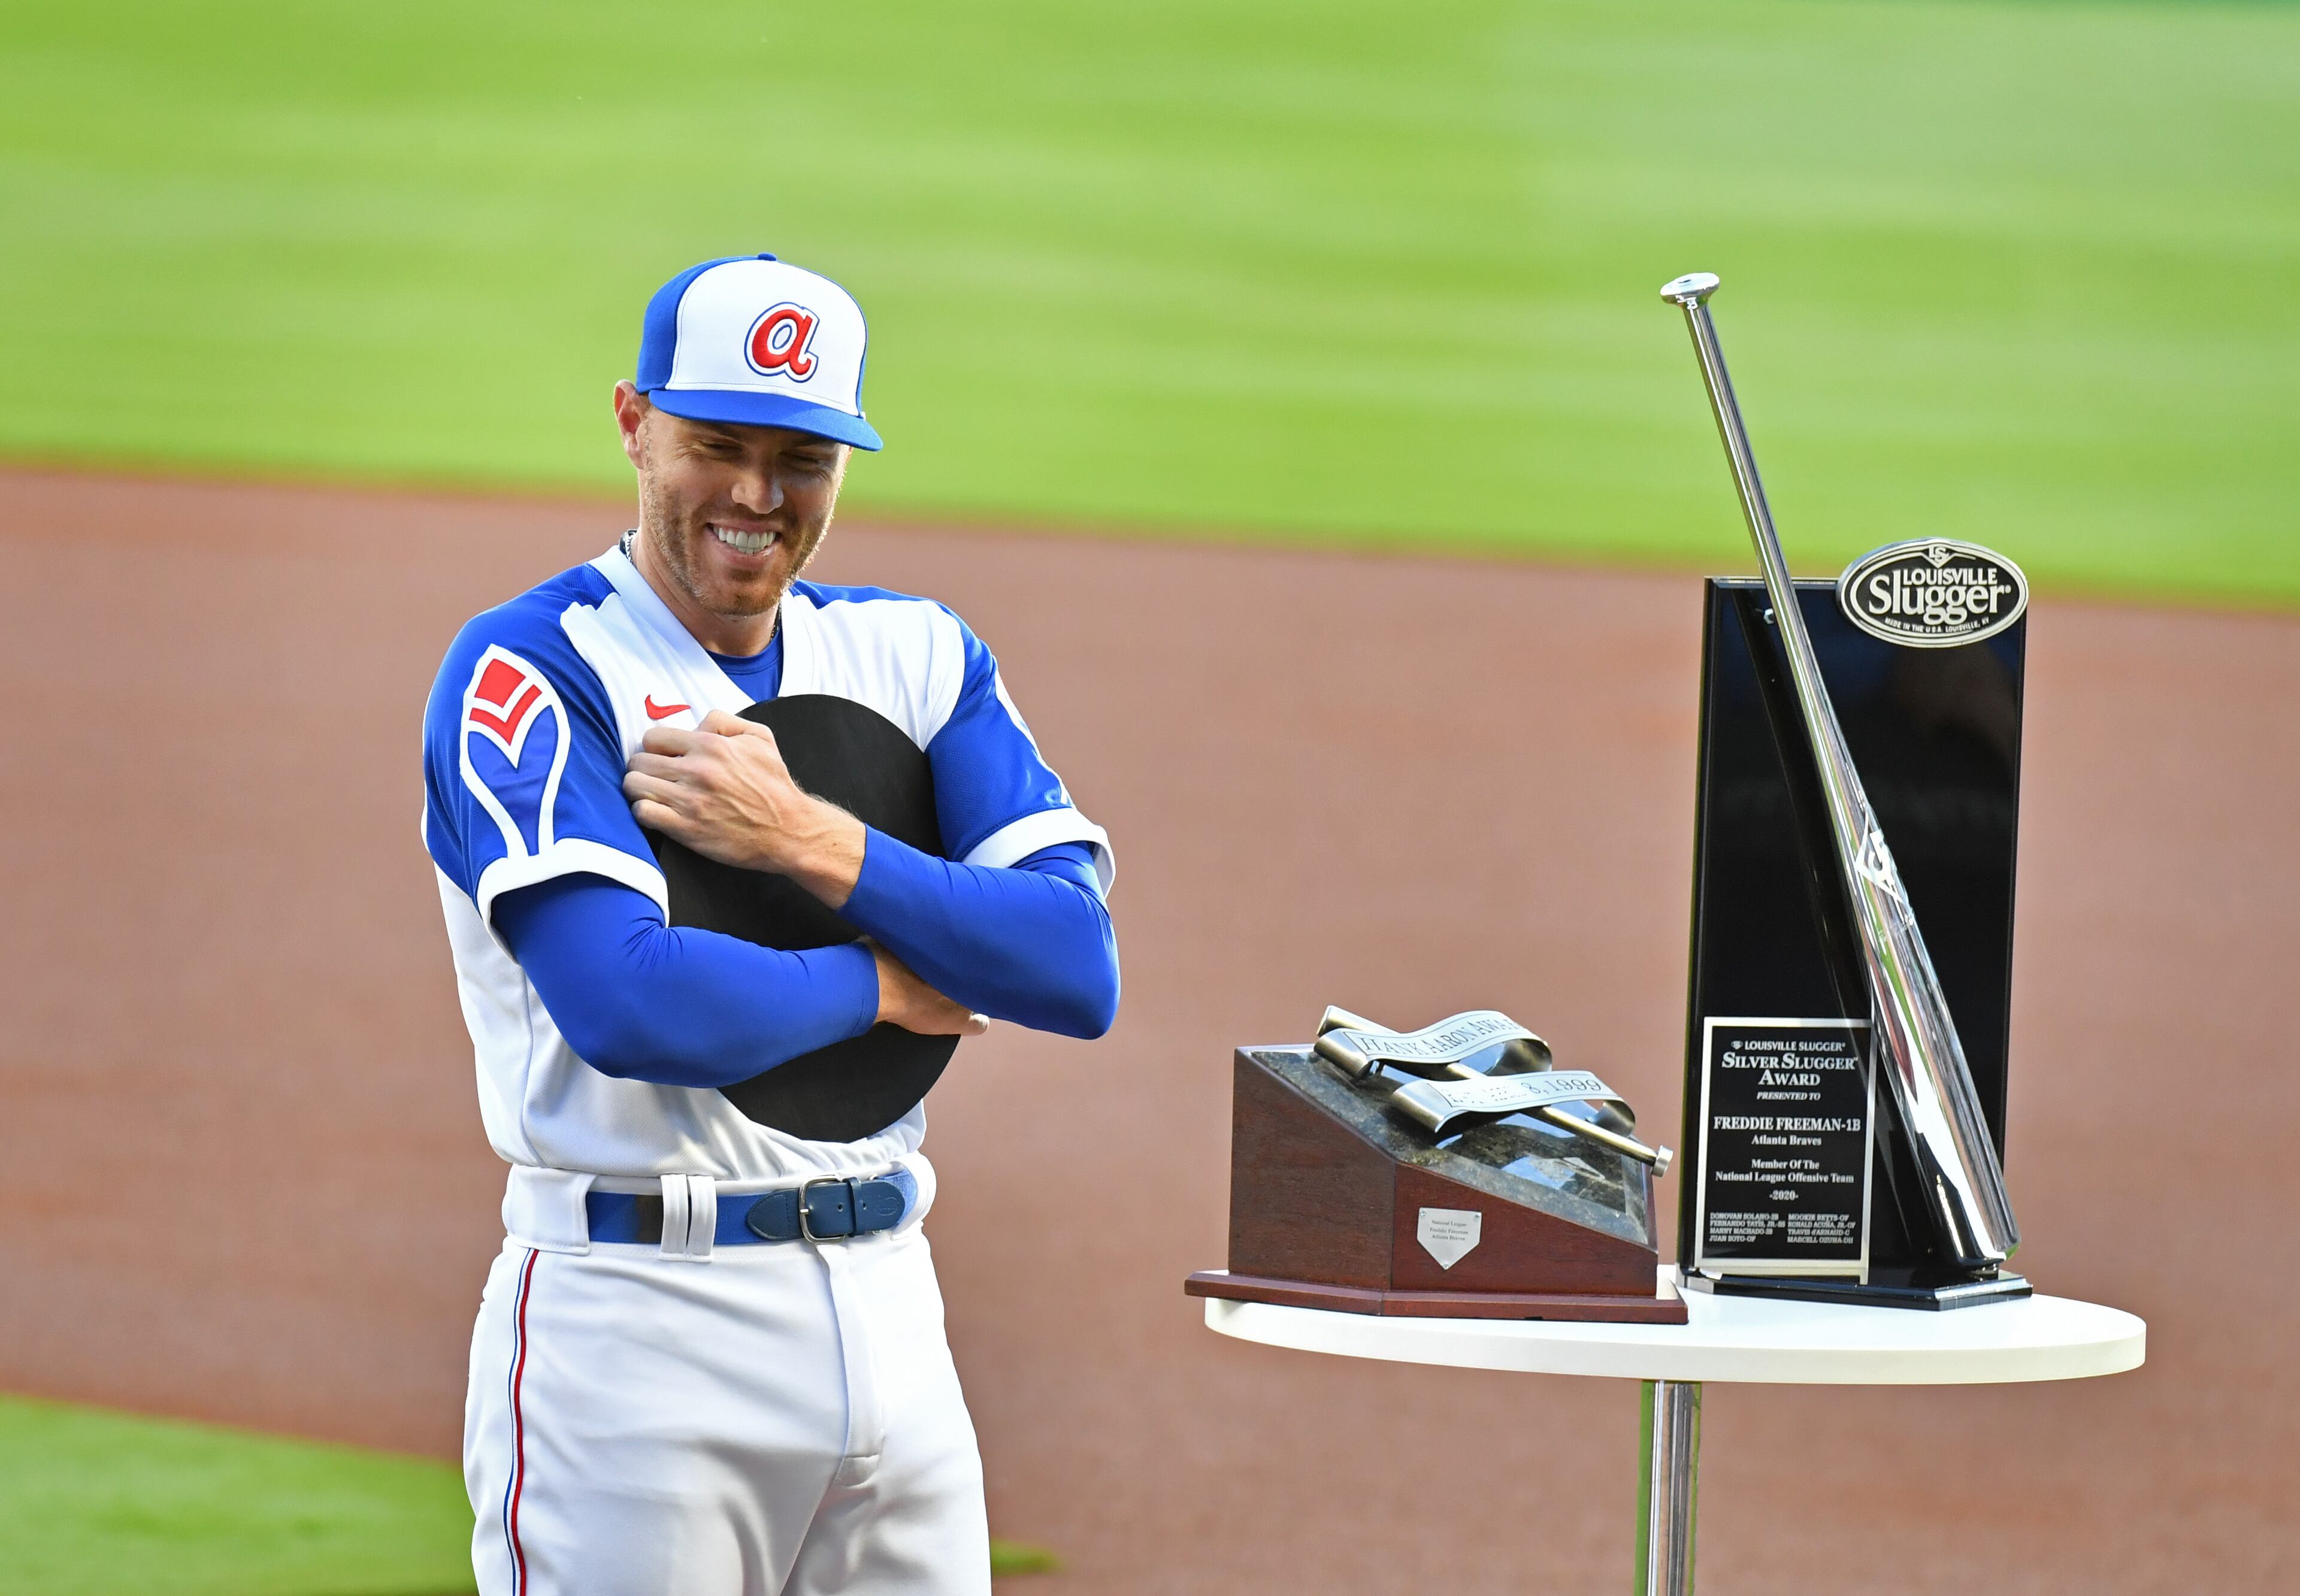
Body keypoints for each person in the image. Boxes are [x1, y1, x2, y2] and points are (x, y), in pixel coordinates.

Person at [420, 253, 1119, 1595]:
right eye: (715, 445)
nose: (756, 494)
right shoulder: (537, 665)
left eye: (800, 457)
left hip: (895, 1316)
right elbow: (631, 1002)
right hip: (638, 1336)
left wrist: (813, 841)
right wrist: (884, 982)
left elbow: (1073, 965)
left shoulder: (918, 655)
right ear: (634, 423)